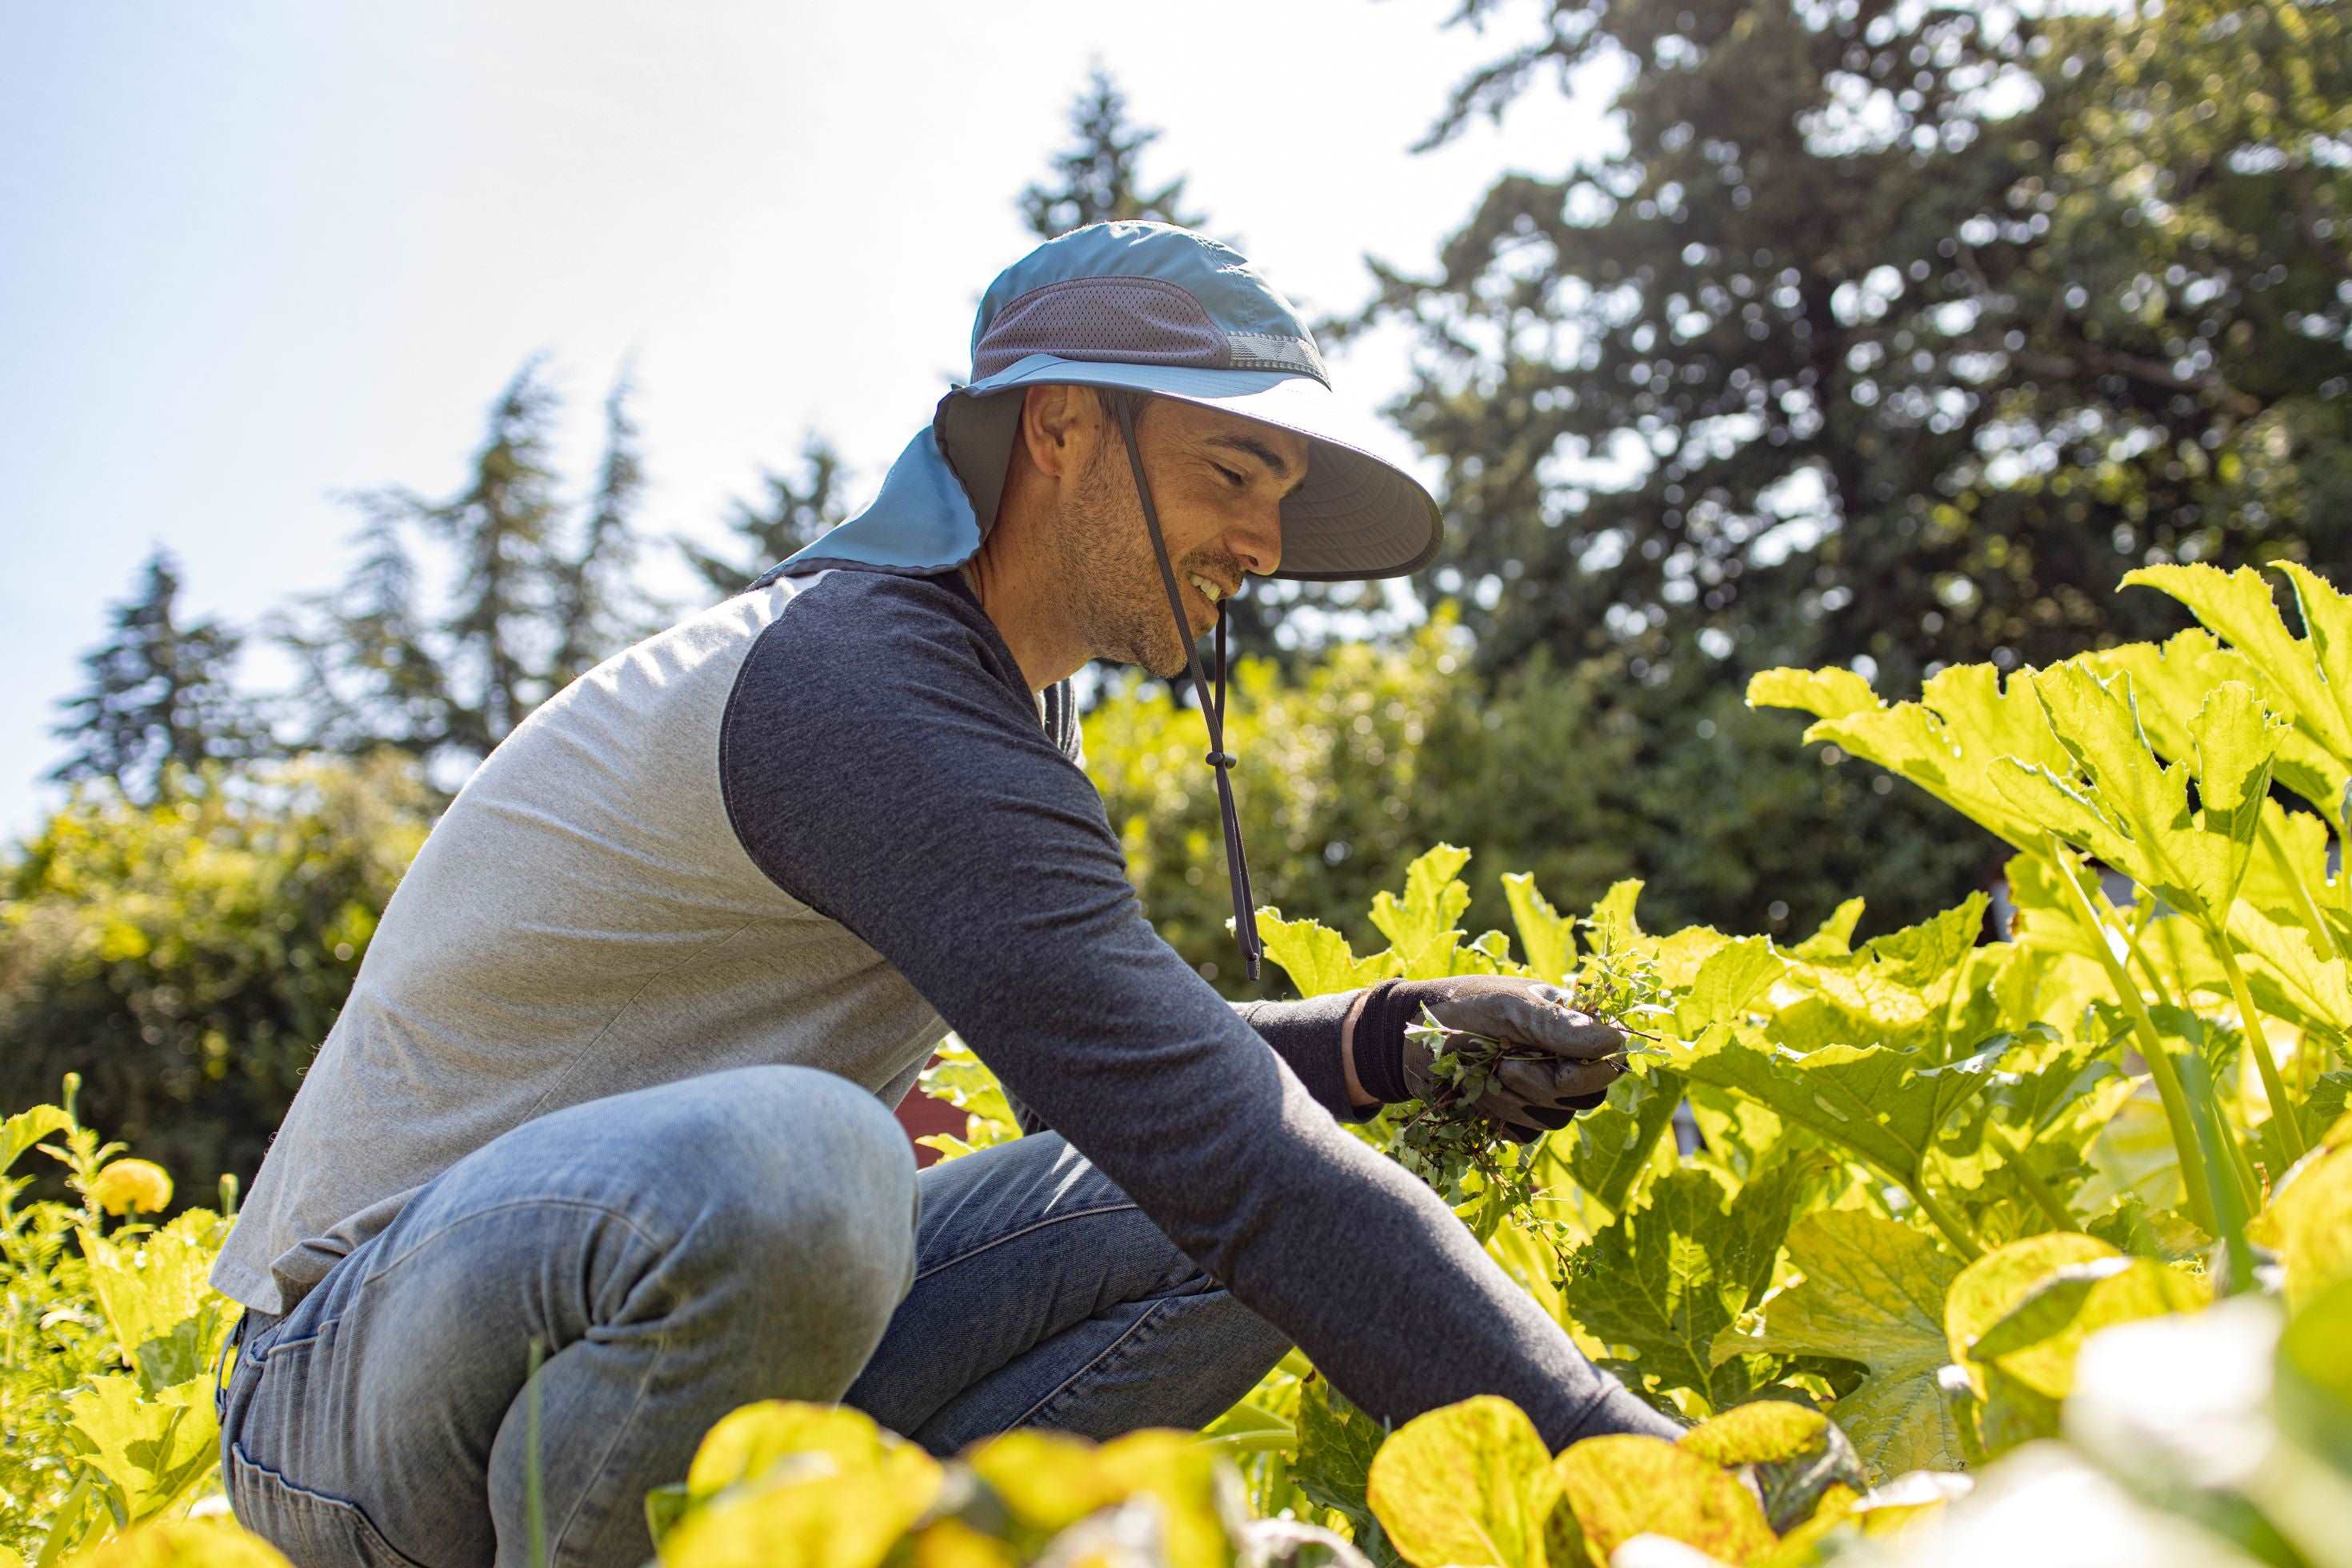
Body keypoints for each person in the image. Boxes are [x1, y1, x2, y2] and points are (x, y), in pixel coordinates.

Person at [210, 220, 1678, 1568]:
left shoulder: (1007, 713)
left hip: (630, 1345)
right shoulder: (859, 691)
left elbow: (1121, 1096)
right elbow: (1224, 1150)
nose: (1264, 547)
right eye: (1232, 474)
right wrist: (1656, 1487)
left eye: (1280, 499)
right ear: (1059, 424)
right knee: (808, 1164)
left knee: (1247, 1179)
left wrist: (1390, 1042)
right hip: (350, 1383)